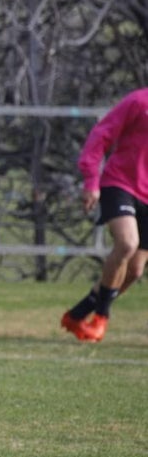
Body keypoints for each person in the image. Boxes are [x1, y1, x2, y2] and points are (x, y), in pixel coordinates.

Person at [60, 88, 148, 343]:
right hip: (121, 184)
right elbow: (102, 135)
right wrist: (91, 180)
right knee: (127, 243)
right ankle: (101, 318)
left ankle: (77, 315)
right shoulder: (139, 101)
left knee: (134, 271)